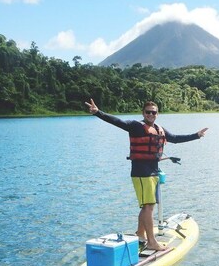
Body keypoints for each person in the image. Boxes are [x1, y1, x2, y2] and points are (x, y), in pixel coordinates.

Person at [85, 98, 208, 251]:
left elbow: (175, 139)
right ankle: (151, 241)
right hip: (141, 172)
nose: (151, 114)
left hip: (153, 171)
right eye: (148, 112)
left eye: (153, 112)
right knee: (148, 207)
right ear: (143, 113)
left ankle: (140, 233)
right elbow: (117, 121)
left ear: (157, 114)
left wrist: (196, 135)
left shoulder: (159, 129)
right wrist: (98, 113)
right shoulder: (136, 126)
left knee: (147, 206)